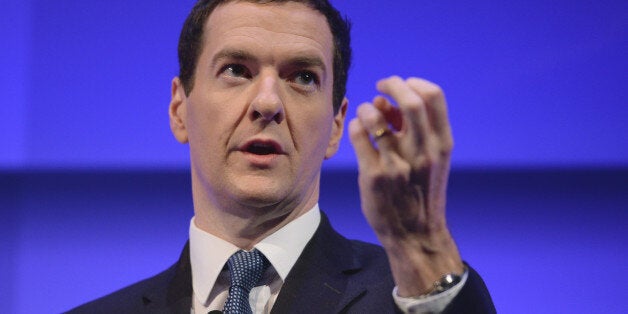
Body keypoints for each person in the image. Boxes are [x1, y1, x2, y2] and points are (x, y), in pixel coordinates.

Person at [68, 0, 495, 313]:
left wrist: (422, 251)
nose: (268, 102)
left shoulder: (413, 296)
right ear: (179, 108)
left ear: (335, 125)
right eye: (236, 69)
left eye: (303, 77)